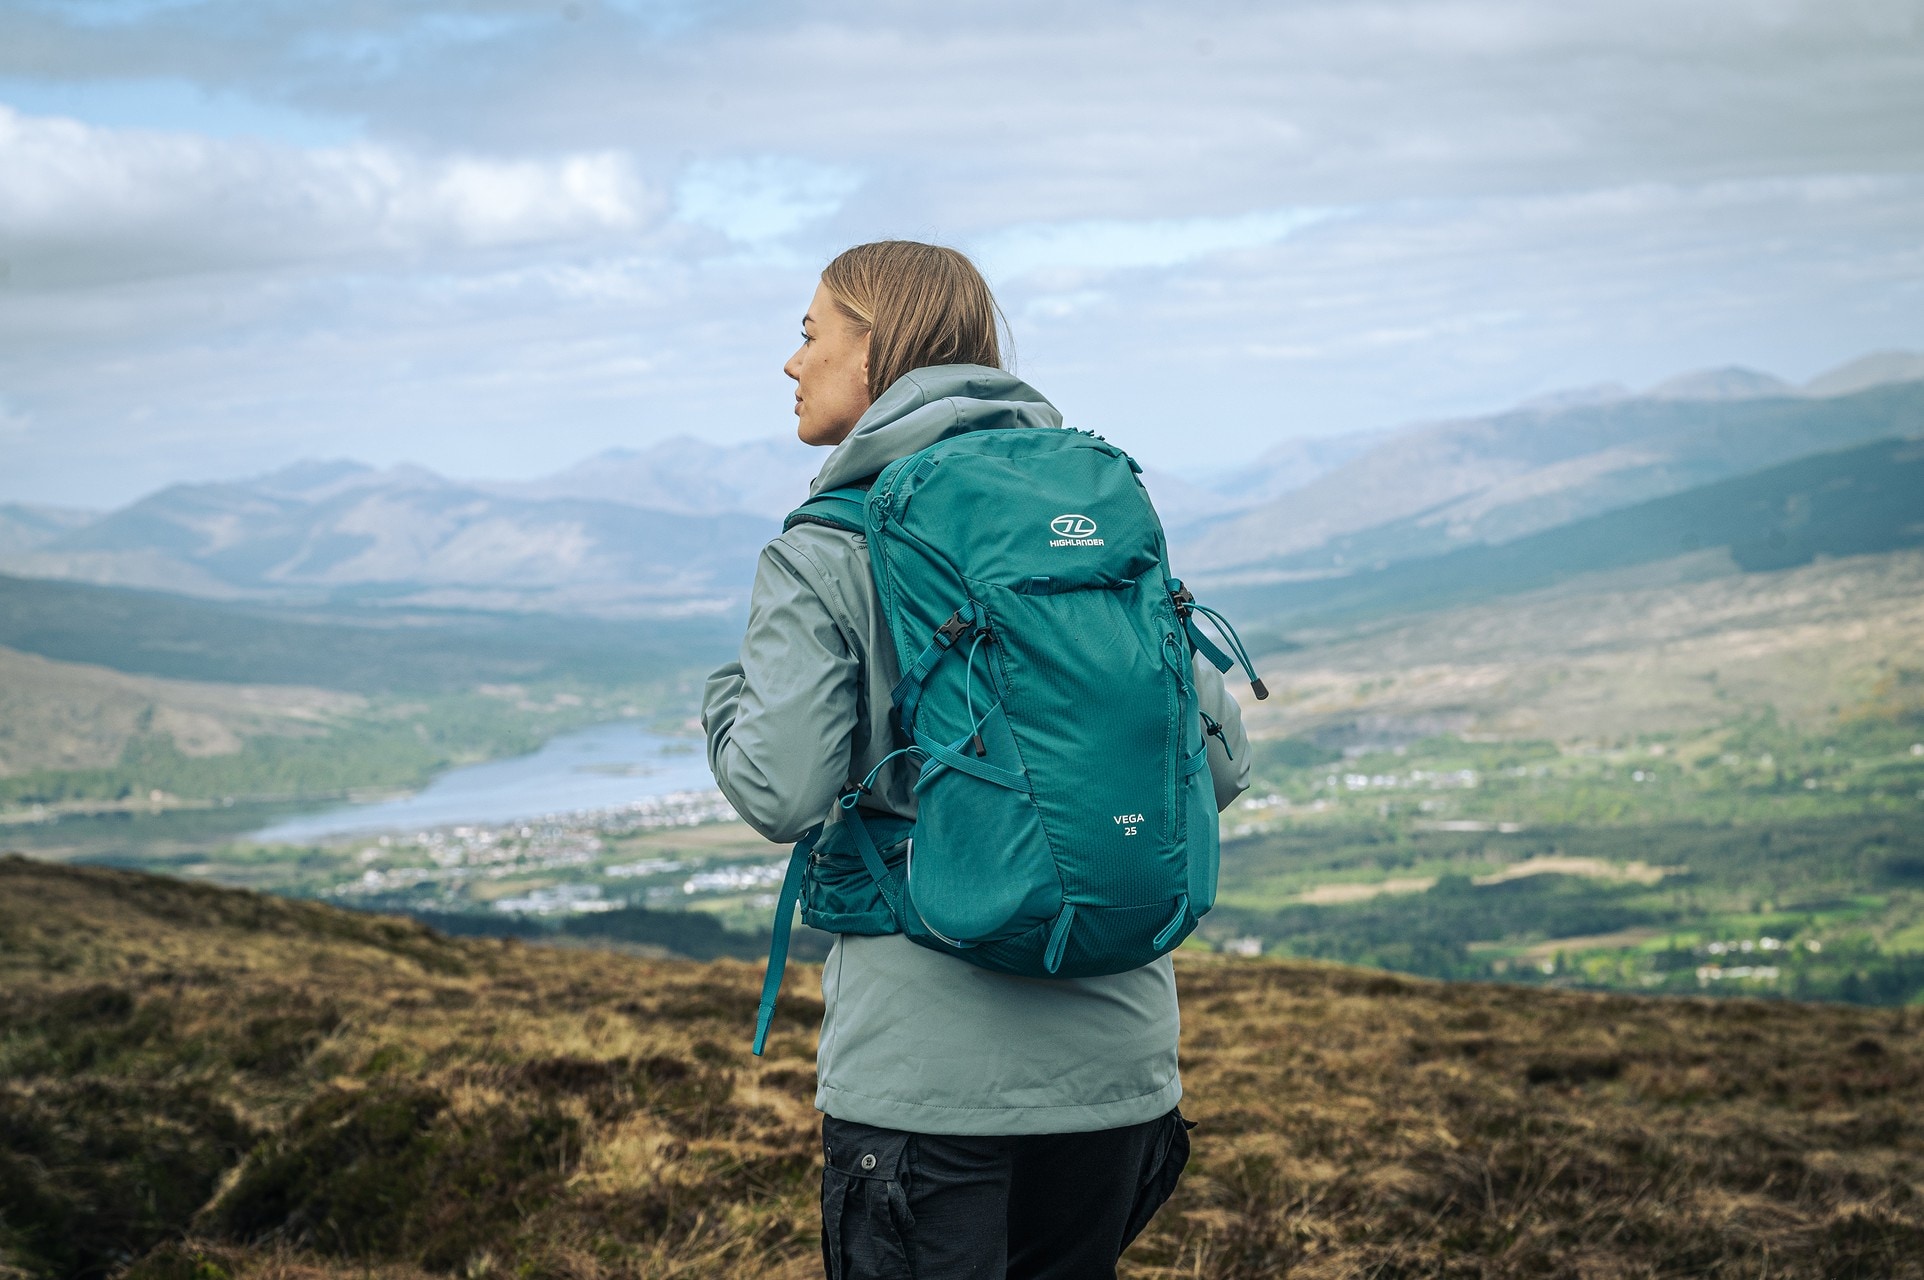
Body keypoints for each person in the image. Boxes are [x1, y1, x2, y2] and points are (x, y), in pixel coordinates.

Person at [703, 240, 1251, 1279]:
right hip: (1121, 1074)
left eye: (810, 332)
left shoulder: (825, 547)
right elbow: (1220, 766)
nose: (792, 360)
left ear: (876, 351)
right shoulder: (1086, 526)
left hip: (925, 1085)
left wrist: (723, 698)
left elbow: (780, 790)